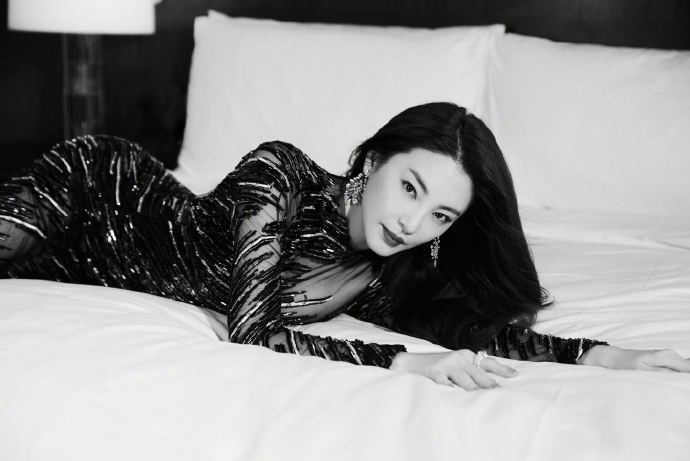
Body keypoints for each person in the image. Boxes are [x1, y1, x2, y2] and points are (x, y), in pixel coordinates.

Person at [1, 102, 688, 390]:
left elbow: (469, 331)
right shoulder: (280, 175)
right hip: (101, 196)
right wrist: (404, 364)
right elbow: (252, 333)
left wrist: (604, 355)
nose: (413, 223)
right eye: (410, 188)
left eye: (441, 215)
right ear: (372, 162)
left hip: (87, 273)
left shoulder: (386, 272)